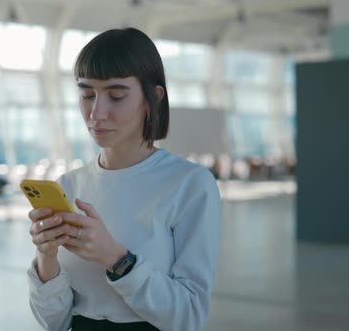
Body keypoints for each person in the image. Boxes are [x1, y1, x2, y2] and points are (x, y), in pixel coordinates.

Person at [26, 27, 221, 331]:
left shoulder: (189, 184)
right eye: (87, 94)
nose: (96, 113)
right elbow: (54, 321)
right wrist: (45, 255)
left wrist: (115, 258)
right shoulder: (69, 185)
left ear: (152, 99)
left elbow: (189, 316)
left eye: (116, 96)